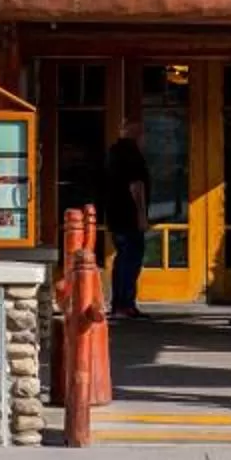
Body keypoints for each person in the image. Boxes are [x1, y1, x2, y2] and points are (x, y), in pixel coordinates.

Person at [102, 117, 150, 319]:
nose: (144, 138)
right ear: (135, 134)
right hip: (129, 216)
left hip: (115, 214)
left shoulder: (113, 153)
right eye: (141, 133)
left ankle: (118, 304)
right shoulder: (132, 155)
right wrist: (141, 214)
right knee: (131, 259)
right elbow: (136, 186)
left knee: (122, 259)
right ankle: (125, 304)